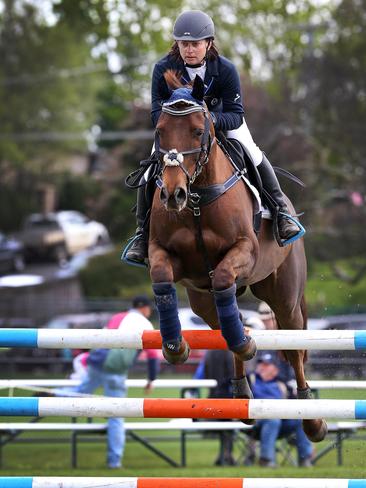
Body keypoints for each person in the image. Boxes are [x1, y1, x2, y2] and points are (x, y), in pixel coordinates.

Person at [126, 9, 301, 264]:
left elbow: (236, 114)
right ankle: (142, 234)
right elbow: (155, 114)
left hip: (221, 124)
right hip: (181, 133)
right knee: (150, 167)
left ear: (208, 43)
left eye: (195, 44)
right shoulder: (163, 68)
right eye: (184, 44)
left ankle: (281, 212)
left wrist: (209, 122)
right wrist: (181, 124)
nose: (189, 49)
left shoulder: (225, 69)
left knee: (252, 150)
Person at [57, 295, 160, 469]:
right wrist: (151, 379)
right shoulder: (145, 324)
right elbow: (152, 355)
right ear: (144, 308)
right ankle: (114, 462)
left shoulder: (117, 317)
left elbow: (99, 338)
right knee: (116, 416)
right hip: (115, 369)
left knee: (77, 392)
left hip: (96, 361)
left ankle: (53, 396)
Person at [247, 352, 313, 468]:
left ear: (275, 370)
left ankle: (305, 459)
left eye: (267, 365)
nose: (262, 367)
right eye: (260, 364)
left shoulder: (282, 384)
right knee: (273, 420)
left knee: (300, 420)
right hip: (255, 422)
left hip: (281, 422)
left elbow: (294, 406)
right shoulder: (250, 380)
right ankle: (266, 460)